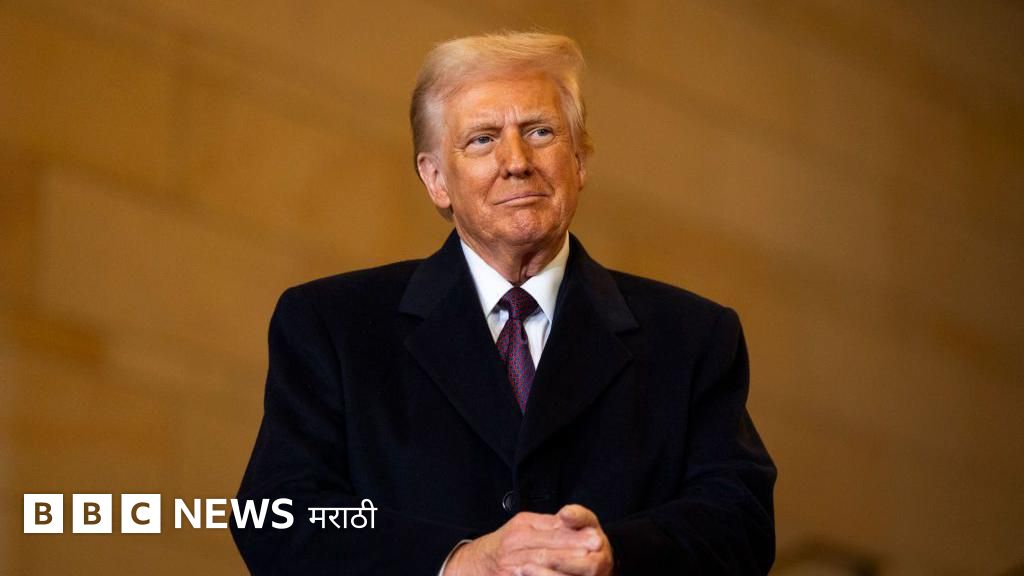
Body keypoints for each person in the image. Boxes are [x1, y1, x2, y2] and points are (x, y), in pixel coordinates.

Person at [231, 32, 776, 575]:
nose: (516, 161)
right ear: (436, 179)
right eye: (482, 140)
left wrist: (611, 555)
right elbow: (279, 514)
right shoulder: (334, 324)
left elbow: (739, 519)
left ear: (580, 161)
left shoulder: (692, 337)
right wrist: (457, 561)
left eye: (540, 132)